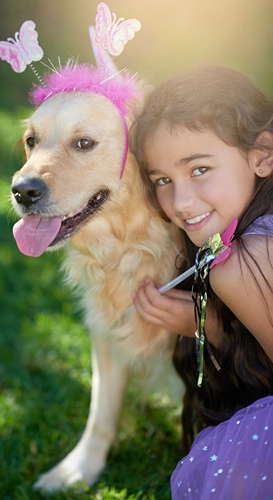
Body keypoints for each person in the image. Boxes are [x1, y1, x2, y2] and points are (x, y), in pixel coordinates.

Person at [129, 65, 273, 499]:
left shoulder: (244, 261)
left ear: (262, 154)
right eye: (162, 181)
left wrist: (207, 326)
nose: (180, 202)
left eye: (199, 169)